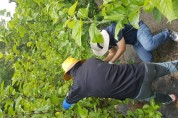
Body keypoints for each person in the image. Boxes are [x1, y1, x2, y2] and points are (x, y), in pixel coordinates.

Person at [62, 57, 178, 110]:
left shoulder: (77, 86)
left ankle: (170, 98)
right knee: (168, 67)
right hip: (143, 71)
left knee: (152, 97)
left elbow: (65, 105)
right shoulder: (92, 61)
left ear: (70, 74)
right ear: (78, 62)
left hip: (137, 92)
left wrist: (69, 95)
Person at [90, 21, 178, 63]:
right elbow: (112, 52)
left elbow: (122, 48)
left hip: (138, 28)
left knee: (149, 45)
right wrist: (103, 62)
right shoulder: (103, 42)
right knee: (148, 59)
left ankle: (167, 33)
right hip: (135, 41)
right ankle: (151, 41)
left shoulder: (113, 29)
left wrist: (111, 62)